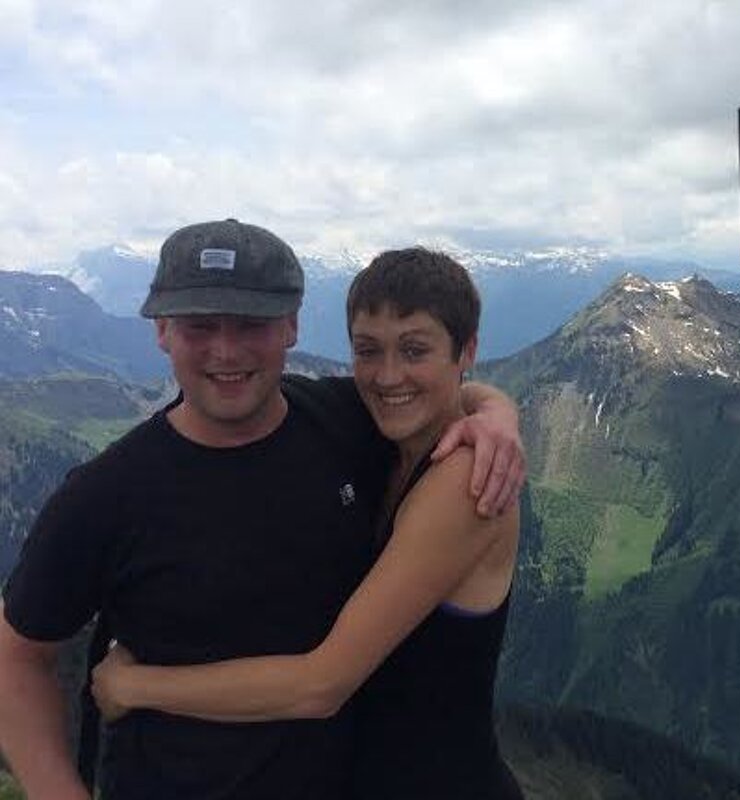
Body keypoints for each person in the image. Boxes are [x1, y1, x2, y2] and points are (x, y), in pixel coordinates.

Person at [0, 222, 524, 800]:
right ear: (162, 332)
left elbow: (431, 395)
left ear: (291, 327)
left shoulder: (345, 420)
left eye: (250, 324)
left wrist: (496, 415)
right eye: (200, 326)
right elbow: (14, 657)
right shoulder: (104, 496)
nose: (226, 350)